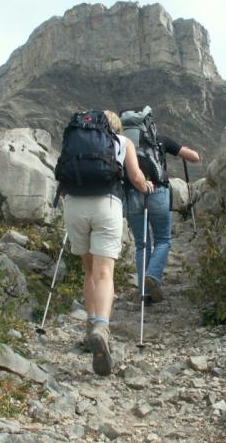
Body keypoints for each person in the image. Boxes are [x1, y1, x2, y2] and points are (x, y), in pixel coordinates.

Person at [61, 110, 152, 376]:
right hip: (106, 205)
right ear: (117, 127)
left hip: (74, 205)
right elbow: (136, 178)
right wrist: (147, 186)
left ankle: (91, 325)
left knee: (89, 270)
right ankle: (101, 327)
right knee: (104, 273)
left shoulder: (77, 141)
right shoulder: (123, 142)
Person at [123, 112, 200, 305]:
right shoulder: (160, 140)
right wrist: (184, 150)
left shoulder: (122, 143)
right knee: (163, 240)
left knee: (141, 245)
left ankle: (144, 293)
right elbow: (194, 157)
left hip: (132, 194)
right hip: (158, 193)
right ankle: (153, 275)